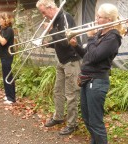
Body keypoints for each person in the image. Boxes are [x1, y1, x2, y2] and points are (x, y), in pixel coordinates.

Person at [69, 3, 122, 144]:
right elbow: (87, 56)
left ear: (109, 20)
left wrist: (90, 37)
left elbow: (94, 57)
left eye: (99, 17)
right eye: (96, 16)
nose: (96, 19)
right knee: (87, 118)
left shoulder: (113, 38)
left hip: (97, 82)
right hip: (87, 80)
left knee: (95, 121)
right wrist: (76, 46)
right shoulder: (100, 33)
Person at [36, 0, 81, 135]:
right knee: (57, 91)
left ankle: (73, 124)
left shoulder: (65, 17)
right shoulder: (55, 20)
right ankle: (58, 117)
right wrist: (47, 44)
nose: (44, 16)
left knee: (71, 94)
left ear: (51, 8)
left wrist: (51, 30)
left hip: (71, 61)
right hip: (61, 61)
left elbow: (66, 42)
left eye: (44, 12)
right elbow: (58, 41)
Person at [0, 12, 16, 104]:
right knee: (5, 75)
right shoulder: (2, 29)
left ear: (5, 20)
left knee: (8, 76)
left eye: (0, 19)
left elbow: (3, 42)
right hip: (3, 55)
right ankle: (8, 95)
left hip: (7, 55)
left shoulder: (9, 30)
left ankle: (11, 98)